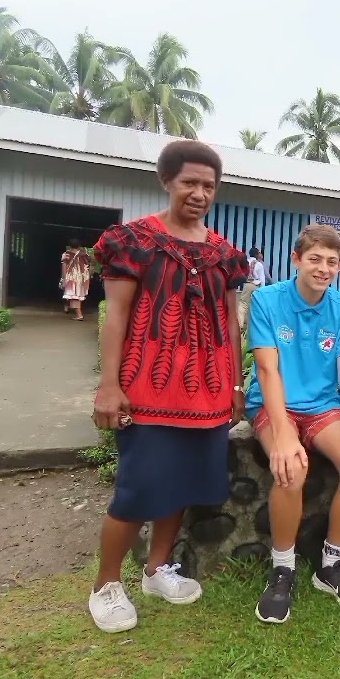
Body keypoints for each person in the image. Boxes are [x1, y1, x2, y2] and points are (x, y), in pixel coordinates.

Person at [88, 139, 250, 634]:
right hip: (147, 389)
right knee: (137, 489)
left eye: (209, 185)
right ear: (167, 181)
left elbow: (230, 321)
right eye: (189, 183)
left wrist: (235, 384)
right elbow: (117, 316)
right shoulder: (134, 241)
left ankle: (157, 569)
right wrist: (109, 385)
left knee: (181, 484)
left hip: (208, 392)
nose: (200, 193)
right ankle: (105, 585)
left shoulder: (224, 254)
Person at [245, 223, 340, 624]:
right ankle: (282, 567)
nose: (323, 268)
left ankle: (332, 562)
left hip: (322, 405)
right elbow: (268, 370)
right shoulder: (267, 299)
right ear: (296, 259)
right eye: (315, 259)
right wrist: (284, 435)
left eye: (332, 262)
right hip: (276, 403)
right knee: (291, 467)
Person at [61, 239, 92, 320]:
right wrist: (89, 276)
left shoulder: (66, 254)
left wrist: (64, 278)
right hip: (82, 277)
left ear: (70, 245)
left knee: (74, 295)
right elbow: (91, 265)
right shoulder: (84, 254)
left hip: (71, 277)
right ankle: (71, 308)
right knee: (78, 295)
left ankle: (79, 315)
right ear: (79, 245)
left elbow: (64, 266)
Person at [240, 246, 267, 325]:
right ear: (256, 255)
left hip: (247, 284)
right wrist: (263, 289)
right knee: (255, 305)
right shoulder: (259, 264)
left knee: (243, 304)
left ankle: (240, 323)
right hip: (256, 285)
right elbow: (262, 278)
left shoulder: (246, 263)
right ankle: (253, 324)